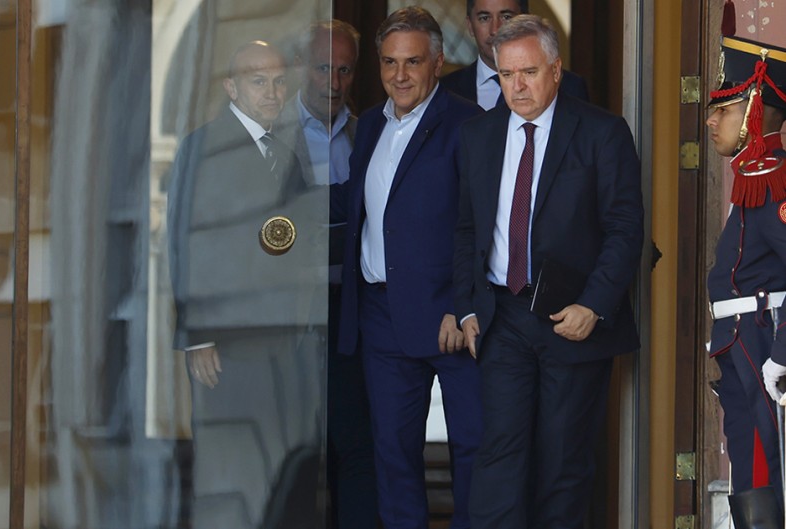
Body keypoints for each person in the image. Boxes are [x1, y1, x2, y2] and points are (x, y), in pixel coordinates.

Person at [453, 15, 642, 528]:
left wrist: (593, 305)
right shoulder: (477, 135)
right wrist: (467, 307)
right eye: (506, 74)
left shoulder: (602, 132)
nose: (517, 86)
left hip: (570, 315)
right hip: (501, 315)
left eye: (529, 72)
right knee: (499, 455)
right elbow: (466, 229)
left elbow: (625, 229)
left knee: (563, 460)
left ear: (556, 70)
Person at [167, 41, 323, 529]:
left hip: (281, 336)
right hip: (228, 340)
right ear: (231, 88)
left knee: (274, 464)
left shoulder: (283, 151)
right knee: (230, 468)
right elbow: (185, 239)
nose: (272, 93)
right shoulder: (205, 145)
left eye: (278, 82)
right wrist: (198, 334)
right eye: (258, 82)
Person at [337, 7, 483, 528]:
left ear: (437, 63)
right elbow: (361, 205)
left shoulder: (468, 123)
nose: (399, 75)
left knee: (473, 449)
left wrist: (462, 306)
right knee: (393, 453)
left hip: (451, 318)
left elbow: (482, 223)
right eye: (389, 62)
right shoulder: (371, 123)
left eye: (413, 62)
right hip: (381, 315)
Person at [275, 20, 378, 528]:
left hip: (351, 310)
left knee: (356, 446)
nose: (334, 82)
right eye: (322, 68)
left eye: (344, 70)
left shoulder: (370, 134)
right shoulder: (269, 133)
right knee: (293, 452)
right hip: (285, 316)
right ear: (300, 67)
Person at [705, 35, 786, 527]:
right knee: (751, 477)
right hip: (740, 343)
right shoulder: (753, 176)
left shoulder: (773, 178)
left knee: (765, 471)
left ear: (756, 108)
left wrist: (784, 352)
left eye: (726, 109)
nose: (711, 121)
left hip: (761, 343)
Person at [440, 0, 588, 109]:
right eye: (484, 18)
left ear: (526, 21)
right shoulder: (445, 90)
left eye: (506, 17)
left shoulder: (570, 86)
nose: (495, 30)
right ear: (470, 25)